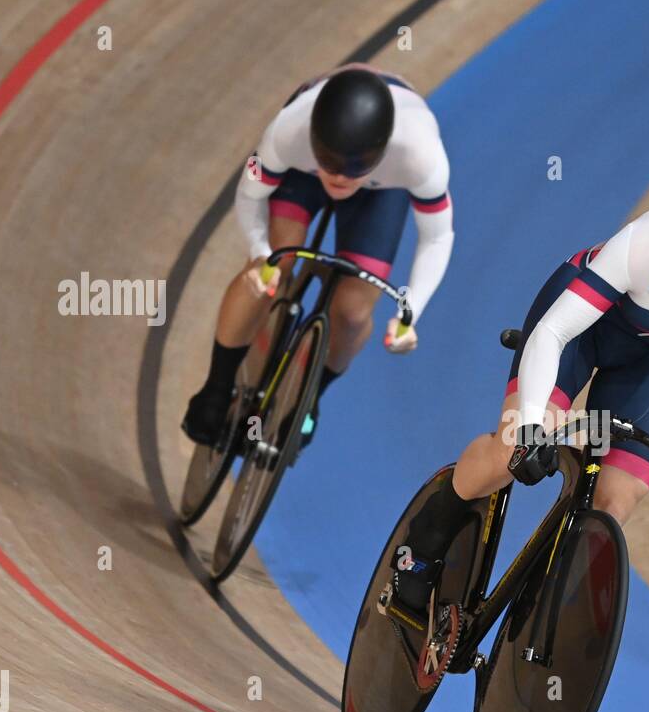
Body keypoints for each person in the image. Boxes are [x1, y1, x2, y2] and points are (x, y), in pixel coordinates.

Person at [391, 158, 649, 616]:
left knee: (615, 501)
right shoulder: (647, 242)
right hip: (581, 331)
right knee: (511, 450)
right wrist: (535, 426)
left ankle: (536, 616)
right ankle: (423, 542)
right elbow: (554, 333)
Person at [182, 64, 454, 447]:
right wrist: (262, 254)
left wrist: (412, 311)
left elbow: (438, 239)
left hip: (380, 189)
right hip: (301, 173)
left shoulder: (419, 155)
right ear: (313, 138)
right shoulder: (288, 131)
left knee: (354, 312)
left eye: (354, 167)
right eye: (329, 159)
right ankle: (215, 387)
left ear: (382, 152)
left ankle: (310, 397)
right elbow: (249, 196)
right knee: (276, 265)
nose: (340, 177)